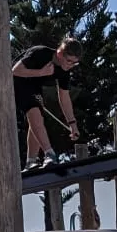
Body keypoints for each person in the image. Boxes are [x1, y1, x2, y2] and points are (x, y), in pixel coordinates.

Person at [11, 36, 82, 171]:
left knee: (38, 119)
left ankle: (31, 161)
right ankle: (49, 154)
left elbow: (64, 97)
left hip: (33, 86)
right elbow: (15, 70)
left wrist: (72, 124)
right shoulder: (41, 52)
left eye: (74, 63)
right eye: (69, 61)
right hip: (17, 81)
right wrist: (41, 72)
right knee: (35, 113)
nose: (70, 65)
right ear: (60, 53)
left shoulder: (64, 71)